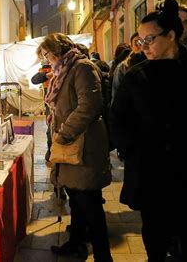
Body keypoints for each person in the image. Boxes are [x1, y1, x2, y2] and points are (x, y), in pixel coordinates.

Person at [110, 0, 187, 260]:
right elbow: (117, 119)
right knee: (155, 234)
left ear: (171, 35)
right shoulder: (136, 75)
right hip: (150, 171)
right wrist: (131, 151)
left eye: (150, 39)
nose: (143, 46)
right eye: (141, 40)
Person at [38, 33, 112, 261]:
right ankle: (77, 243)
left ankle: (103, 255)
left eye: (46, 54)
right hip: (71, 147)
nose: (46, 59)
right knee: (77, 200)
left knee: (90, 204)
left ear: (57, 50)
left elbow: (89, 106)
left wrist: (63, 134)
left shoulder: (82, 67)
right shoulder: (64, 70)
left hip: (84, 147)